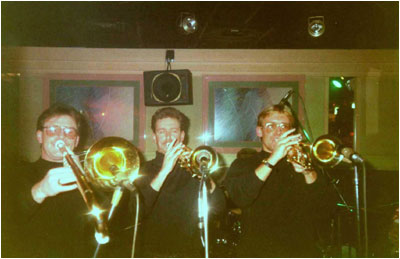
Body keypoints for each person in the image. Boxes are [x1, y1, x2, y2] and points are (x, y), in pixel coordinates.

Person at [222, 104, 335, 258]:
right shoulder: (244, 164)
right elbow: (241, 197)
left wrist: (308, 172)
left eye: (283, 126)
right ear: (259, 131)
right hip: (258, 251)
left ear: (291, 131)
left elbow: (325, 208)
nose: (278, 131)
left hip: (302, 251)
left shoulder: (306, 165)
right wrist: (274, 157)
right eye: (271, 126)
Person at [133, 107, 226, 258]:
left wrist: (203, 173)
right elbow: (139, 211)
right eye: (162, 131)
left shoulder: (195, 170)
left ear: (182, 136)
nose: (168, 137)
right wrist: (164, 171)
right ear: (154, 137)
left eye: (174, 131)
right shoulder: (142, 170)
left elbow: (219, 207)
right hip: (152, 253)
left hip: (191, 252)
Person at [10, 103, 97, 257]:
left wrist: (84, 177)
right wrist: (40, 190)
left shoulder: (88, 178)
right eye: (52, 130)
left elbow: (109, 221)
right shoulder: (18, 172)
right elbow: (8, 221)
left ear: (76, 141)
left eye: (69, 132)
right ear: (39, 136)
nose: (61, 136)